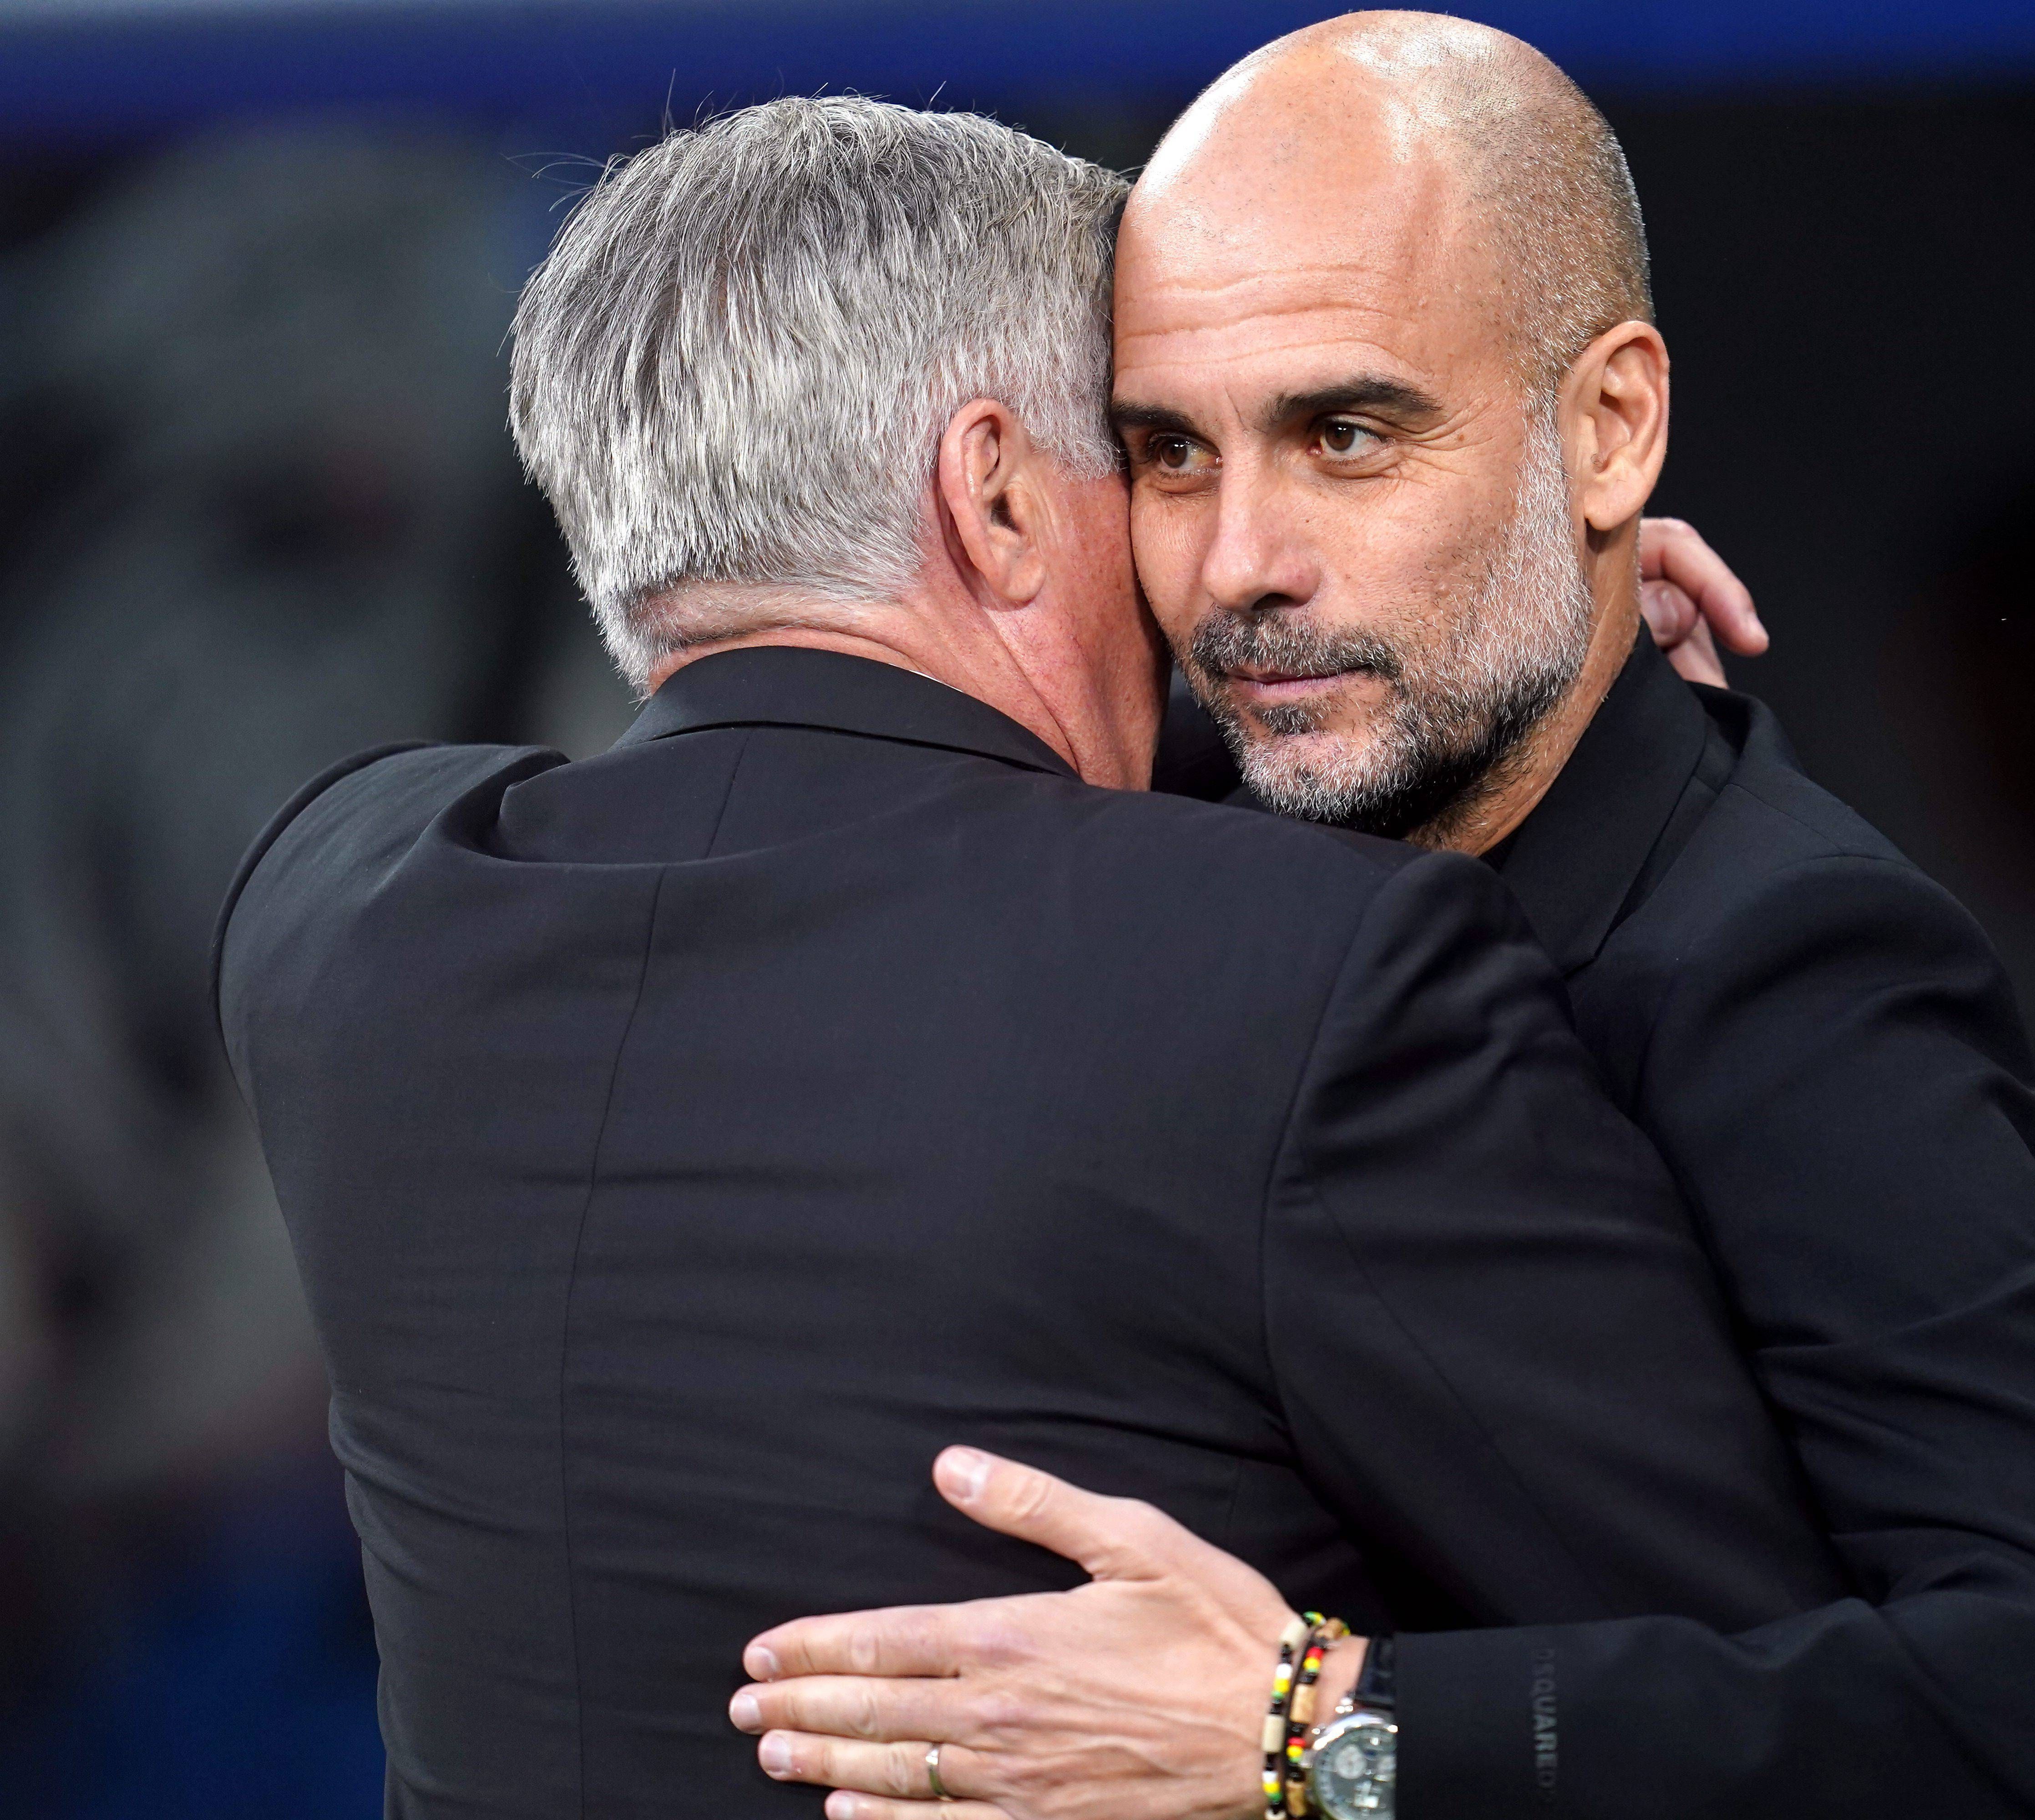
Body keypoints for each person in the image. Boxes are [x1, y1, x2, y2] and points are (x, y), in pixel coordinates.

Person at [213, 96, 1843, 1818]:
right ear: (993, 494)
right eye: (1155, 457)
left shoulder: (341, 920)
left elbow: (947, 786)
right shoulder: (1304, 977)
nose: (1209, 549)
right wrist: (1511, 639)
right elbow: (1780, 1713)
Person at [729, 16, 2035, 1820]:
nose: (1237, 564)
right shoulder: (1198, 818)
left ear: (1609, 433)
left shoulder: (1781, 962)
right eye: (1172, 454)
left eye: (1348, 434)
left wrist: (1319, 1735)